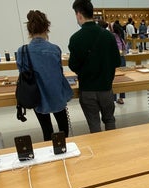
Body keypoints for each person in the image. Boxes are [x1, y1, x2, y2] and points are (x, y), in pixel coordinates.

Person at [17, 10, 74, 141]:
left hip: (36, 95)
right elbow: (59, 73)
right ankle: (63, 149)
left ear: (29, 30)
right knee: (63, 128)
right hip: (56, 94)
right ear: (47, 28)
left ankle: (49, 152)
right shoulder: (55, 49)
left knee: (46, 130)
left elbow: (23, 74)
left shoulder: (22, 51)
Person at [68, 0, 121, 133]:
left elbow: (73, 65)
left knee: (94, 125)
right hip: (106, 88)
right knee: (110, 120)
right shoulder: (108, 36)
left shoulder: (75, 38)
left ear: (79, 14)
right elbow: (117, 61)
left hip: (87, 90)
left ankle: (99, 152)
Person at [104, 21, 126, 104]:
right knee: (122, 79)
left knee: (114, 79)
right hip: (122, 58)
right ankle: (121, 98)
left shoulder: (112, 35)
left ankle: (113, 98)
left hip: (115, 58)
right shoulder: (120, 36)